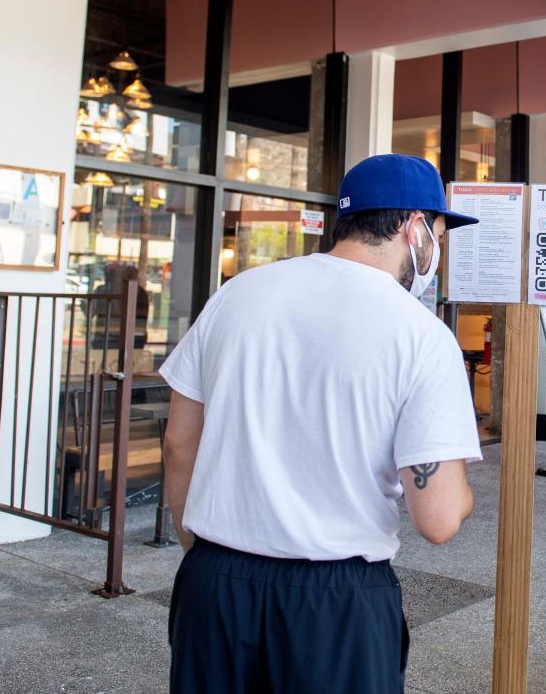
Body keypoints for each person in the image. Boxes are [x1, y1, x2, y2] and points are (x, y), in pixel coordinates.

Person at [160, 154, 483, 693]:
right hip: (336, 601)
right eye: (440, 234)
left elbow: (177, 443)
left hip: (214, 585)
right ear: (415, 227)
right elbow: (440, 518)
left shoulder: (239, 293)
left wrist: (199, 551)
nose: (438, 254)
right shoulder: (420, 336)